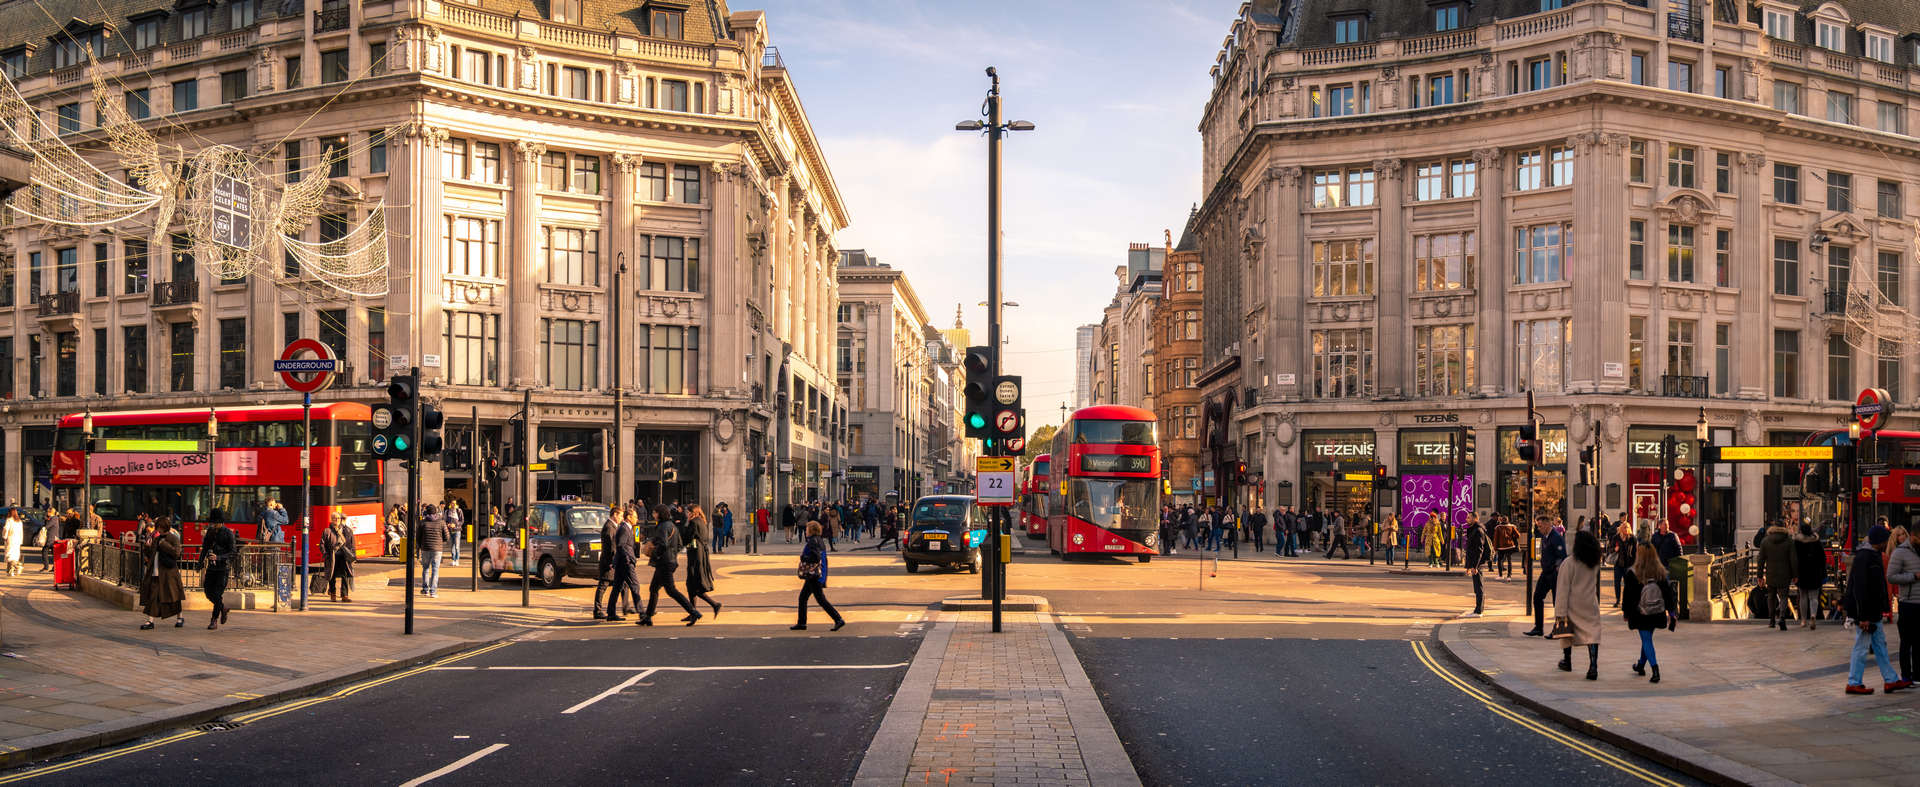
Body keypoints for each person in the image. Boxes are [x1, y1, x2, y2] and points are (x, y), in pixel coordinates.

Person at [1845, 526, 1912, 695]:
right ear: (1879, 542)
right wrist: (1863, 617)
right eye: (1884, 540)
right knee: (1862, 646)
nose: (1885, 543)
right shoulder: (1865, 557)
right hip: (1867, 612)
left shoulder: (1871, 556)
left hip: (1872, 611)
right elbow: (1860, 589)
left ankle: (1890, 680)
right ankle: (1854, 682)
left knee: (1880, 646)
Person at [1553, 528, 1604, 680]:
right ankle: (1593, 665)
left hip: (1572, 605)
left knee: (1567, 633)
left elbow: (1562, 589)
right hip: (1590, 603)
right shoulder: (1594, 563)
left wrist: (1559, 611)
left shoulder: (1569, 563)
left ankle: (1567, 661)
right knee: (1592, 634)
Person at [1623, 543, 1677, 683]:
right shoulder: (1660, 572)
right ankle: (1640, 664)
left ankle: (1655, 670)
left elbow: (1627, 596)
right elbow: (1668, 594)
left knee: (1646, 640)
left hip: (1640, 612)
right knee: (1647, 639)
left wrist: (1626, 612)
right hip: (1657, 611)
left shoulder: (1632, 573)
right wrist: (1671, 612)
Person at [641, 506, 700, 626]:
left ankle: (693, 612)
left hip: (664, 563)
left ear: (659, 514)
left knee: (671, 590)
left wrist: (656, 554)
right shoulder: (673, 526)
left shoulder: (663, 526)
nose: (653, 514)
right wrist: (672, 555)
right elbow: (679, 544)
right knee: (653, 588)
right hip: (670, 561)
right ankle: (648, 616)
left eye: (654, 512)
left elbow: (663, 543)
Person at [794, 521, 846, 631]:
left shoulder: (813, 541)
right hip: (817, 574)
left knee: (820, 599)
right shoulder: (819, 540)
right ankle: (801, 623)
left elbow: (816, 557)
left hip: (814, 575)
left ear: (811, 530)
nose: (806, 531)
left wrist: (804, 558)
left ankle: (838, 619)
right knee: (803, 597)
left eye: (807, 529)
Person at [138, 517, 186, 630]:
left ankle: (180, 617)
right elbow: (151, 554)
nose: (157, 529)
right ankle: (150, 621)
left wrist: (164, 544)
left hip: (169, 574)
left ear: (163, 527)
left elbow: (177, 553)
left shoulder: (173, 538)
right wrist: (147, 547)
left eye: (159, 527)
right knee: (153, 597)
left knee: (174, 597)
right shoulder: (156, 538)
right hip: (155, 572)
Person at [1524, 516, 1567, 637]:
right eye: (1538, 526)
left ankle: (1559, 629)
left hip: (1555, 574)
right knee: (1537, 597)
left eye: (1540, 525)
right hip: (1546, 572)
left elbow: (1562, 556)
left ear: (1548, 525)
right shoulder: (1545, 537)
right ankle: (1538, 627)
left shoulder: (1556, 538)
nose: (1539, 528)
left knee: (1557, 602)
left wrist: (1557, 570)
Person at [1891, 528, 1920, 682]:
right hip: (1908, 602)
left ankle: (1918, 675)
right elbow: (1891, 576)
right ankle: (1906, 676)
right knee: (1907, 642)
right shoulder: (1900, 552)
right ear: (1914, 536)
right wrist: (1913, 576)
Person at [684, 504, 723, 618]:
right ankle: (693, 612)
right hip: (701, 554)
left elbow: (688, 538)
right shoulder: (702, 522)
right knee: (691, 584)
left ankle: (714, 604)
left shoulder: (693, 522)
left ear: (692, 513)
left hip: (695, 555)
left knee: (693, 584)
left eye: (688, 512)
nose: (686, 514)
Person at [1758, 520, 1798, 630]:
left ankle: (1771, 620)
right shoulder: (1789, 541)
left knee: (1771, 596)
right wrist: (1795, 574)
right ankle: (1782, 618)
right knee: (1784, 596)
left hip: (1770, 573)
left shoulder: (1765, 541)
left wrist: (1759, 575)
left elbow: (1760, 559)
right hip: (1785, 573)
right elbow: (1793, 560)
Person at [201, 518, 238, 630]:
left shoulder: (228, 534)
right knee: (208, 592)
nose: (213, 525)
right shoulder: (210, 532)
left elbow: (233, 552)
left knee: (217, 594)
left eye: (215, 523)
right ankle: (223, 608)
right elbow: (205, 548)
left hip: (223, 568)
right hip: (212, 568)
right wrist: (200, 562)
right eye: (212, 523)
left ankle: (214, 620)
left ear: (221, 522)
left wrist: (219, 557)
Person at [1794, 522, 1828, 629]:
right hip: (1815, 572)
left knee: (1803, 596)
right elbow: (1823, 558)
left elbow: (1794, 558)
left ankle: (1803, 620)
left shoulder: (1797, 542)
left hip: (1802, 571)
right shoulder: (1816, 542)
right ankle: (1813, 615)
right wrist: (1823, 572)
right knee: (1814, 597)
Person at [320, 511, 355, 603]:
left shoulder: (346, 530)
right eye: (334, 518)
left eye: (338, 518)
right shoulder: (327, 531)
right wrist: (326, 554)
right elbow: (322, 544)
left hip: (344, 557)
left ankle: (344, 595)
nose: (336, 520)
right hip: (332, 557)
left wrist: (352, 556)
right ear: (331, 520)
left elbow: (351, 544)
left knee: (345, 576)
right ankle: (333, 594)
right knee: (332, 576)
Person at [416, 504, 448, 598]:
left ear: (427, 512)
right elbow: (447, 536)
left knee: (425, 568)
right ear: (435, 512)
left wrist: (420, 546)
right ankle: (433, 591)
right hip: (437, 549)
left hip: (425, 548)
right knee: (435, 569)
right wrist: (441, 542)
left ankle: (425, 589)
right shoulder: (441, 522)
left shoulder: (422, 522)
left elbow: (418, 537)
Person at [1463, 514, 1491, 617]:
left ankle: (1479, 611)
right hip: (1475, 563)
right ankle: (1477, 609)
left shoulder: (1478, 530)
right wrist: (1468, 567)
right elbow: (1470, 550)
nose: (1467, 519)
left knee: (1479, 587)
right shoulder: (1473, 529)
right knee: (1477, 587)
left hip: (1478, 563)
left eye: (1469, 517)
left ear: (1475, 519)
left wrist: (1475, 566)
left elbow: (1479, 550)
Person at [37, 505, 61, 572]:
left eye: (48, 512)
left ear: (50, 512)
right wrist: (46, 519)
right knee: (53, 553)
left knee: (45, 552)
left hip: (51, 539)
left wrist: (47, 520)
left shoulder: (54, 518)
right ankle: (53, 567)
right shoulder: (53, 518)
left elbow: (47, 526)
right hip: (51, 539)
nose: (47, 513)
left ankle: (46, 567)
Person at [2, 507, 21, 578]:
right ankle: (10, 571)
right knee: (14, 556)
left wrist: (5, 536)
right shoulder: (19, 521)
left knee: (9, 556)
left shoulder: (9, 520)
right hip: (17, 540)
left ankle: (17, 567)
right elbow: (21, 532)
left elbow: (6, 528)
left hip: (11, 539)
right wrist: (20, 541)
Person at [444, 501, 465, 566]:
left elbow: (462, 520)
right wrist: (448, 524)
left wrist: (455, 525)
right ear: (450, 504)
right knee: (452, 546)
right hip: (450, 530)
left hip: (457, 530)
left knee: (457, 546)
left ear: (456, 504)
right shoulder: (447, 511)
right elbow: (445, 520)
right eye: (451, 503)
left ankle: (457, 560)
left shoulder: (459, 511)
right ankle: (453, 559)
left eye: (454, 503)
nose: (453, 504)